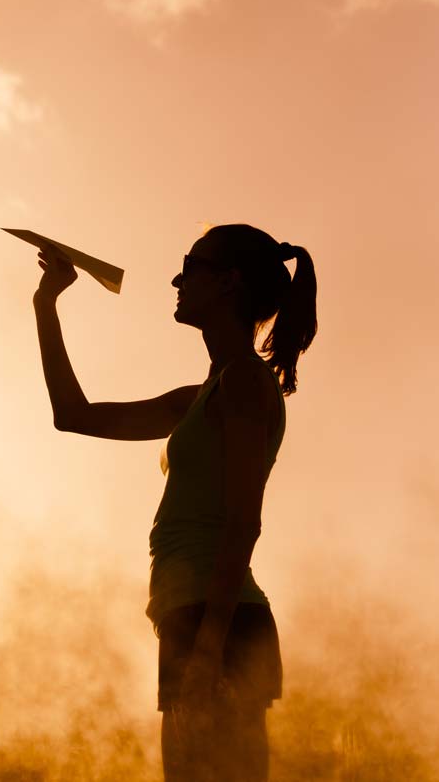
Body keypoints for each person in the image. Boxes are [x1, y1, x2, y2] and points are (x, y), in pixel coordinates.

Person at [32, 224, 317, 782]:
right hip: (193, 616)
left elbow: (243, 522)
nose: (176, 280)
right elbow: (74, 415)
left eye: (191, 266)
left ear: (229, 281)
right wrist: (47, 304)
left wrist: (209, 647)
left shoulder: (244, 386)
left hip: (222, 622)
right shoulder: (201, 396)